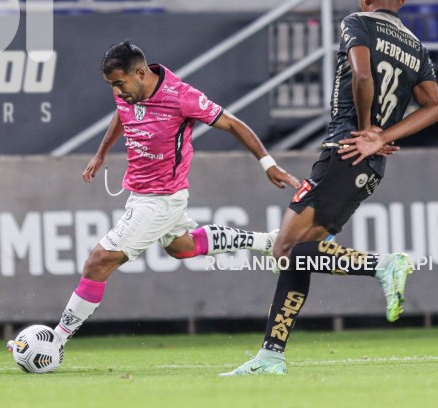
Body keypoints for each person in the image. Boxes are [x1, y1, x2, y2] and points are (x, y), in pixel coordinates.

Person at [221, 0, 438, 375]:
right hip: (369, 164)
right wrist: (384, 136)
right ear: (403, 0)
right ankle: (271, 355)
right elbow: (434, 108)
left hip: (346, 151)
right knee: (297, 252)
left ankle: (384, 264)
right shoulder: (416, 47)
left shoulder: (357, 22)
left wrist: (366, 131)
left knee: (284, 248)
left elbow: (362, 76)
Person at [49, 40, 302, 345]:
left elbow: (233, 125)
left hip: (162, 199)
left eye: (119, 84)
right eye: (110, 86)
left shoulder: (182, 97)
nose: (116, 92)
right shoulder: (128, 92)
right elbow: (122, 112)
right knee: (181, 247)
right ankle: (268, 242)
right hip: (141, 193)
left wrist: (268, 164)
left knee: (99, 261)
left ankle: (55, 341)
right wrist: (101, 153)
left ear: (141, 73)